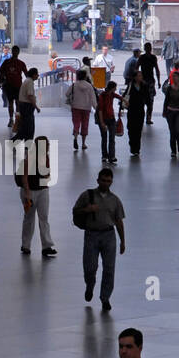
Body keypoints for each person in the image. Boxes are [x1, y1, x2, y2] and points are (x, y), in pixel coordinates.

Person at [74, 167, 125, 311]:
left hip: (109, 235)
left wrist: (122, 241)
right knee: (90, 267)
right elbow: (75, 210)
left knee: (109, 269)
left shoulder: (115, 200)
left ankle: (105, 298)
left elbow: (119, 221)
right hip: (91, 234)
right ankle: (90, 285)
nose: (106, 183)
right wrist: (86, 210)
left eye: (109, 181)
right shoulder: (87, 195)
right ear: (98, 180)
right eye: (103, 180)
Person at [17, 135, 56, 258]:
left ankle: (46, 246)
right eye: (47, 144)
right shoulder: (30, 158)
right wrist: (27, 194)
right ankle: (26, 245)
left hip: (43, 190)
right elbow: (24, 177)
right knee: (29, 218)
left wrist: (46, 177)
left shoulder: (46, 157)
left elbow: (47, 173)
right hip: (30, 191)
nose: (49, 146)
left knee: (43, 217)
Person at [66, 69, 97, 152]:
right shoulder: (89, 86)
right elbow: (93, 98)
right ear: (85, 76)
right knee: (85, 125)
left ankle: (75, 138)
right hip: (86, 108)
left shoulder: (74, 85)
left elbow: (67, 94)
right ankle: (83, 144)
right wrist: (96, 108)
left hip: (76, 107)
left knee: (76, 124)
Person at [121, 70, 149, 157]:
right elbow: (125, 95)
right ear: (135, 77)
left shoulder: (144, 86)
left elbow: (147, 98)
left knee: (138, 129)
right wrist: (121, 107)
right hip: (132, 110)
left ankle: (136, 149)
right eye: (139, 75)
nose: (141, 77)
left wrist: (148, 109)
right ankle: (132, 144)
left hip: (140, 110)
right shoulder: (130, 86)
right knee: (131, 128)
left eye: (141, 75)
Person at [0, 45, 28, 128]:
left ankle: (16, 120)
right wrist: (0, 82)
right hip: (9, 86)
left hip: (18, 86)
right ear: (13, 52)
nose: (15, 53)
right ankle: (11, 119)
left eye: (16, 51)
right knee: (11, 103)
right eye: (14, 51)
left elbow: (26, 75)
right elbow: (2, 73)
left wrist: (28, 84)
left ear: (18, 52)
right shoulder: (7, 62)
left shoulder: (21, 63)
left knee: (17, 103)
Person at [161, 69, 179, 159]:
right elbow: (166, 100)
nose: (174, 79)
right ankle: (173, 151)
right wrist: (164, 111)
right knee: (172, 132)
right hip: (170, 112)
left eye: (176, 77)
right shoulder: (169, 88)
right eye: (173, 77)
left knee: (178, 131)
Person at [96, 80, 121, 163]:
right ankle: (104, 156)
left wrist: (125, 101)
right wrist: (102, 122)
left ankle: (111, 156)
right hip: (103, 119)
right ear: (112, 88)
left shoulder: (112, 94)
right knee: (105, 138)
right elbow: (99, 110)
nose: (116, 89)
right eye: (115, 88)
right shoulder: (102, 96)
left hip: (111, 118)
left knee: (111, 138)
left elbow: (119, 97)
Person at [15, 67, 40, 141]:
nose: (38, 76)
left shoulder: (27, 81)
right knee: (29, 127)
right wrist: (36, 107)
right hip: (27, 107)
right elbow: (30, 95)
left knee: (26, 127)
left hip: (24, 106)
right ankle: (16, 142)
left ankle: (26, 144)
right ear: (33, 75)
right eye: (37, 74)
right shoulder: (30, 82)